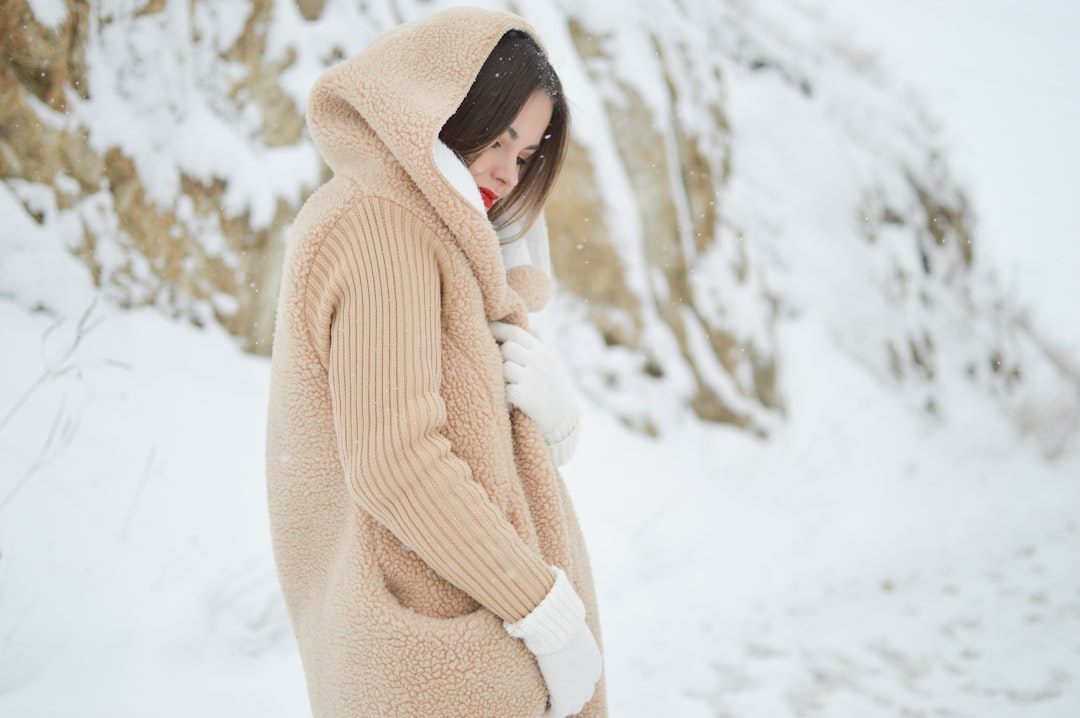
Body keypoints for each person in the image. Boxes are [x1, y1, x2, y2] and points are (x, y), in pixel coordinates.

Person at [265, 7, 605, 717]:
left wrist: (554, 423)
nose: (507, 172)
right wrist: (547, 615)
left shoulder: (441, 238)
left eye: (526, 155)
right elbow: (399, 463)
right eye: (499, 137)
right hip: (438, 663)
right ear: (445, 105)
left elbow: (466, 437)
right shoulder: (384, 222)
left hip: (465, 650)